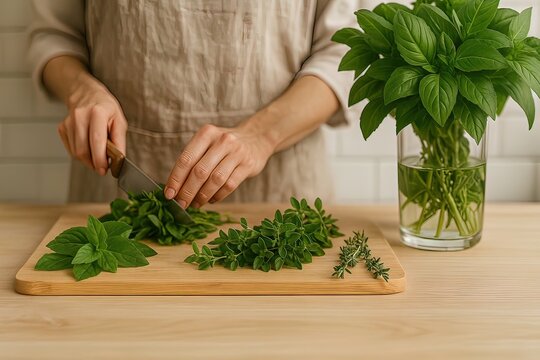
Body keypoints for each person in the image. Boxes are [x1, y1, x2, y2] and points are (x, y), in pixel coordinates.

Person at [28, 0, 361, 207]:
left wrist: (262, 135)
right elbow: (53, 35)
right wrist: (82, 91)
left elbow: (345, 53)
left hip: (280, 196)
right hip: (116, 192)